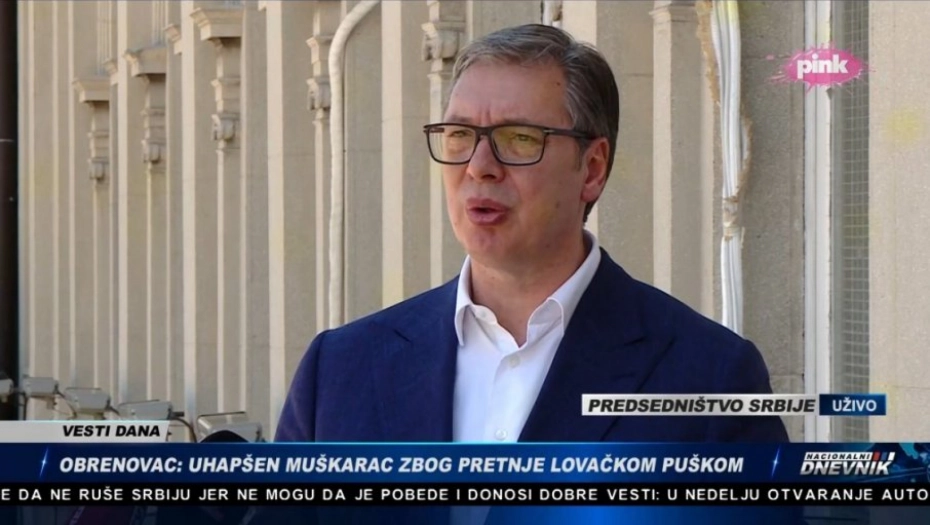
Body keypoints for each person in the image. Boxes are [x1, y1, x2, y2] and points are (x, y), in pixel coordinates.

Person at [275, 23, 788, 445]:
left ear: (592, 169)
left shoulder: (709, 377)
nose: (479, 166)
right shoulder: (339, 371)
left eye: (519, 139)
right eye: (459, 135)